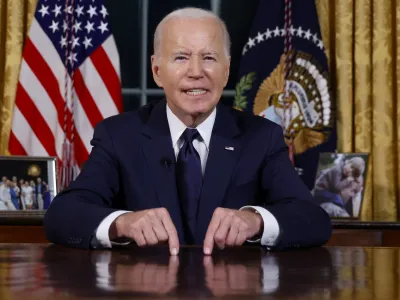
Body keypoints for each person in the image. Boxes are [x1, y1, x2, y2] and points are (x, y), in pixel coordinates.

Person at [44, 7, 331, 255]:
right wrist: (122, 223)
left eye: (209, 58)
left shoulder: (261, 136)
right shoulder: (119, 136)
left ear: (227, 70)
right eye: (181, 57)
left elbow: (313, 219)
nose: (196, 71)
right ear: (157, 71)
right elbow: (63, 214)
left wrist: (255, 220)